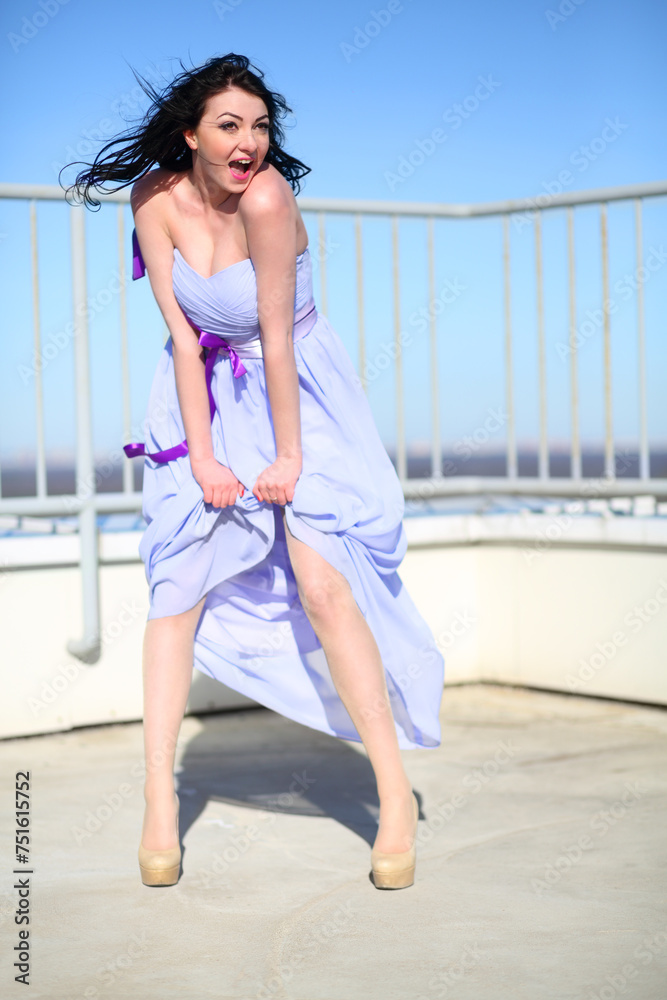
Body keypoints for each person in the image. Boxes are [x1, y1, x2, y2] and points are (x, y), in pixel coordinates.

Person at [65, 52, 444, 891]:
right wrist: (202, 457)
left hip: (298, 394)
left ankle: (393, 796)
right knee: (176, 590)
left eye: (261, 126)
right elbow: (182, 335)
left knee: (322, 583)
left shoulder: (269, 199)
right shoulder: (153, 199)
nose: (249, 144)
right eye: (229, 126)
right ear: (190, 134)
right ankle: (158, 803)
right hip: (201, 392)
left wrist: (287, 458)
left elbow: (274, 339)